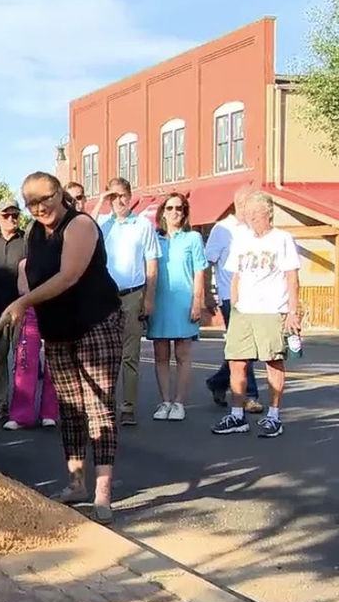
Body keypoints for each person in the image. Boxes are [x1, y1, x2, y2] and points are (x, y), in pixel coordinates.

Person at [1, 172, 122, 524]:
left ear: (60, 195)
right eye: (32, 203)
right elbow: (28, 268)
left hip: (95, 323)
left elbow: (68, 275)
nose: (40, 208)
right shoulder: (36, 233)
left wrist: (24, 304)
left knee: (98, 406)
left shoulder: (80, 225)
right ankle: (75, 483)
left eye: (46, 199)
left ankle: (102, 493)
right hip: (58, 330)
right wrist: (23, 296)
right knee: (69, 407)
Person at [211, 192, 301, 439]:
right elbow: (235, 275)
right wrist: (234, 303)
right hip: (244, 311)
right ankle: (237, 415)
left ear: (268, 213)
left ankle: (273, 416)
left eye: (255, 213)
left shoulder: (282, 239)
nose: (250, 217)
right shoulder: (242, 240)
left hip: (272, 310)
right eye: (247, 213)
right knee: (237, 362)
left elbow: (292, 277)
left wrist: (293, 312)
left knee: (273, 361)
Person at [91, 177, 159, 426]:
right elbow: (85, 227)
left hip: (132, 294)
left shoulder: (142, 225)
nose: (118, 201)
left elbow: (152, 263)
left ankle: (128, 406)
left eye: (122, 195)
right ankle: (104, 405)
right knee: (104, 354)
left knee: (130, 355)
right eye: (113, 196)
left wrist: (149, 298)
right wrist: (100, 201)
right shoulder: (102, 224)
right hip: (106, 297)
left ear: (130, 197)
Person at [147, 194, 207, 421]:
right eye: (170, 208)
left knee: (182, 353)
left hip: (184, 301)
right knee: (161, 354)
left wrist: (197, 302)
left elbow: (200, 271)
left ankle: (180, 402)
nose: (174, 212)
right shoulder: (154, 238)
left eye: (179, 208)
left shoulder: (193, 238)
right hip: (160, 301)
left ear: (185, 212)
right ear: (162, 211)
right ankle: (165, 401)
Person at [204, 186, 262, 412]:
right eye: (252, 203)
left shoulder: (255, 229)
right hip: (231, 297)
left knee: (247, 348)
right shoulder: (223, 229)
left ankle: (218, 382)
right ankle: (249, 395)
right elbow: (208, 261)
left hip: (256, 298)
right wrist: (209, 294)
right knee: (245, 348)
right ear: (240, 203)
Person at [0, 196, 27, 421]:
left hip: (21, 309)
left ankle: (21, 406)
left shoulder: (27, 241)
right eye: (6, 215)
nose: (11, 219)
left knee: (23, 359)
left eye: (15, 215)